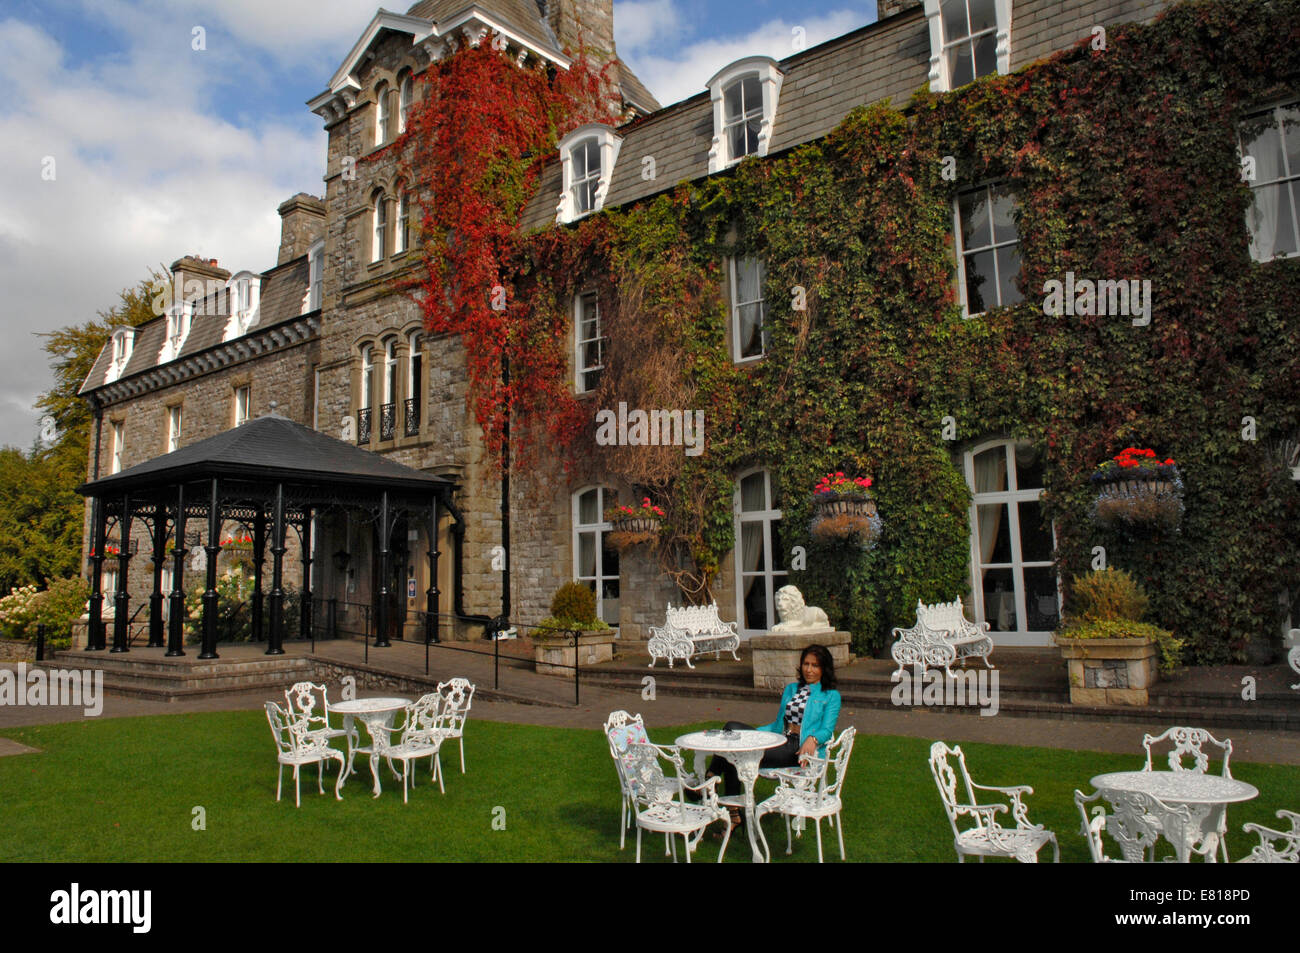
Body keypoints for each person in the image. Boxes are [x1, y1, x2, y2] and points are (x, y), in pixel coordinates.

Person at [709, 644, 842, 829]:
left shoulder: (831, 696)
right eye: (806, 664)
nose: (809, 669)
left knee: (737, 751)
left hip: (797, 748)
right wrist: (753, 735)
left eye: (815, 665)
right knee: (732, 729)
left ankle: (712, 787)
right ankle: (725, 800)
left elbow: (827, 729)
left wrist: (813, 738)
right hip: (780, 738)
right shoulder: (791, 689)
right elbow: (777, 724)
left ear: (824, 669)